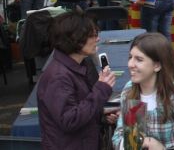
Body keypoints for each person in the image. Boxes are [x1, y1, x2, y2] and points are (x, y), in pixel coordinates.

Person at [37, 10, 115, 149]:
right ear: (75, 39)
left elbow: (82, 106)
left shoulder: (80, 64)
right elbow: (70, 120)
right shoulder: (58, 77)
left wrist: (102, 115)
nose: (97, 39)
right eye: (93, 35)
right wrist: (101, 88)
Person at [112, 33, 174, 149]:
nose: (130, 64)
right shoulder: (130, 90)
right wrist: (137, 143)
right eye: (130, 57)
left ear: (157, 66)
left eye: (139, 59)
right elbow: (118, 137)